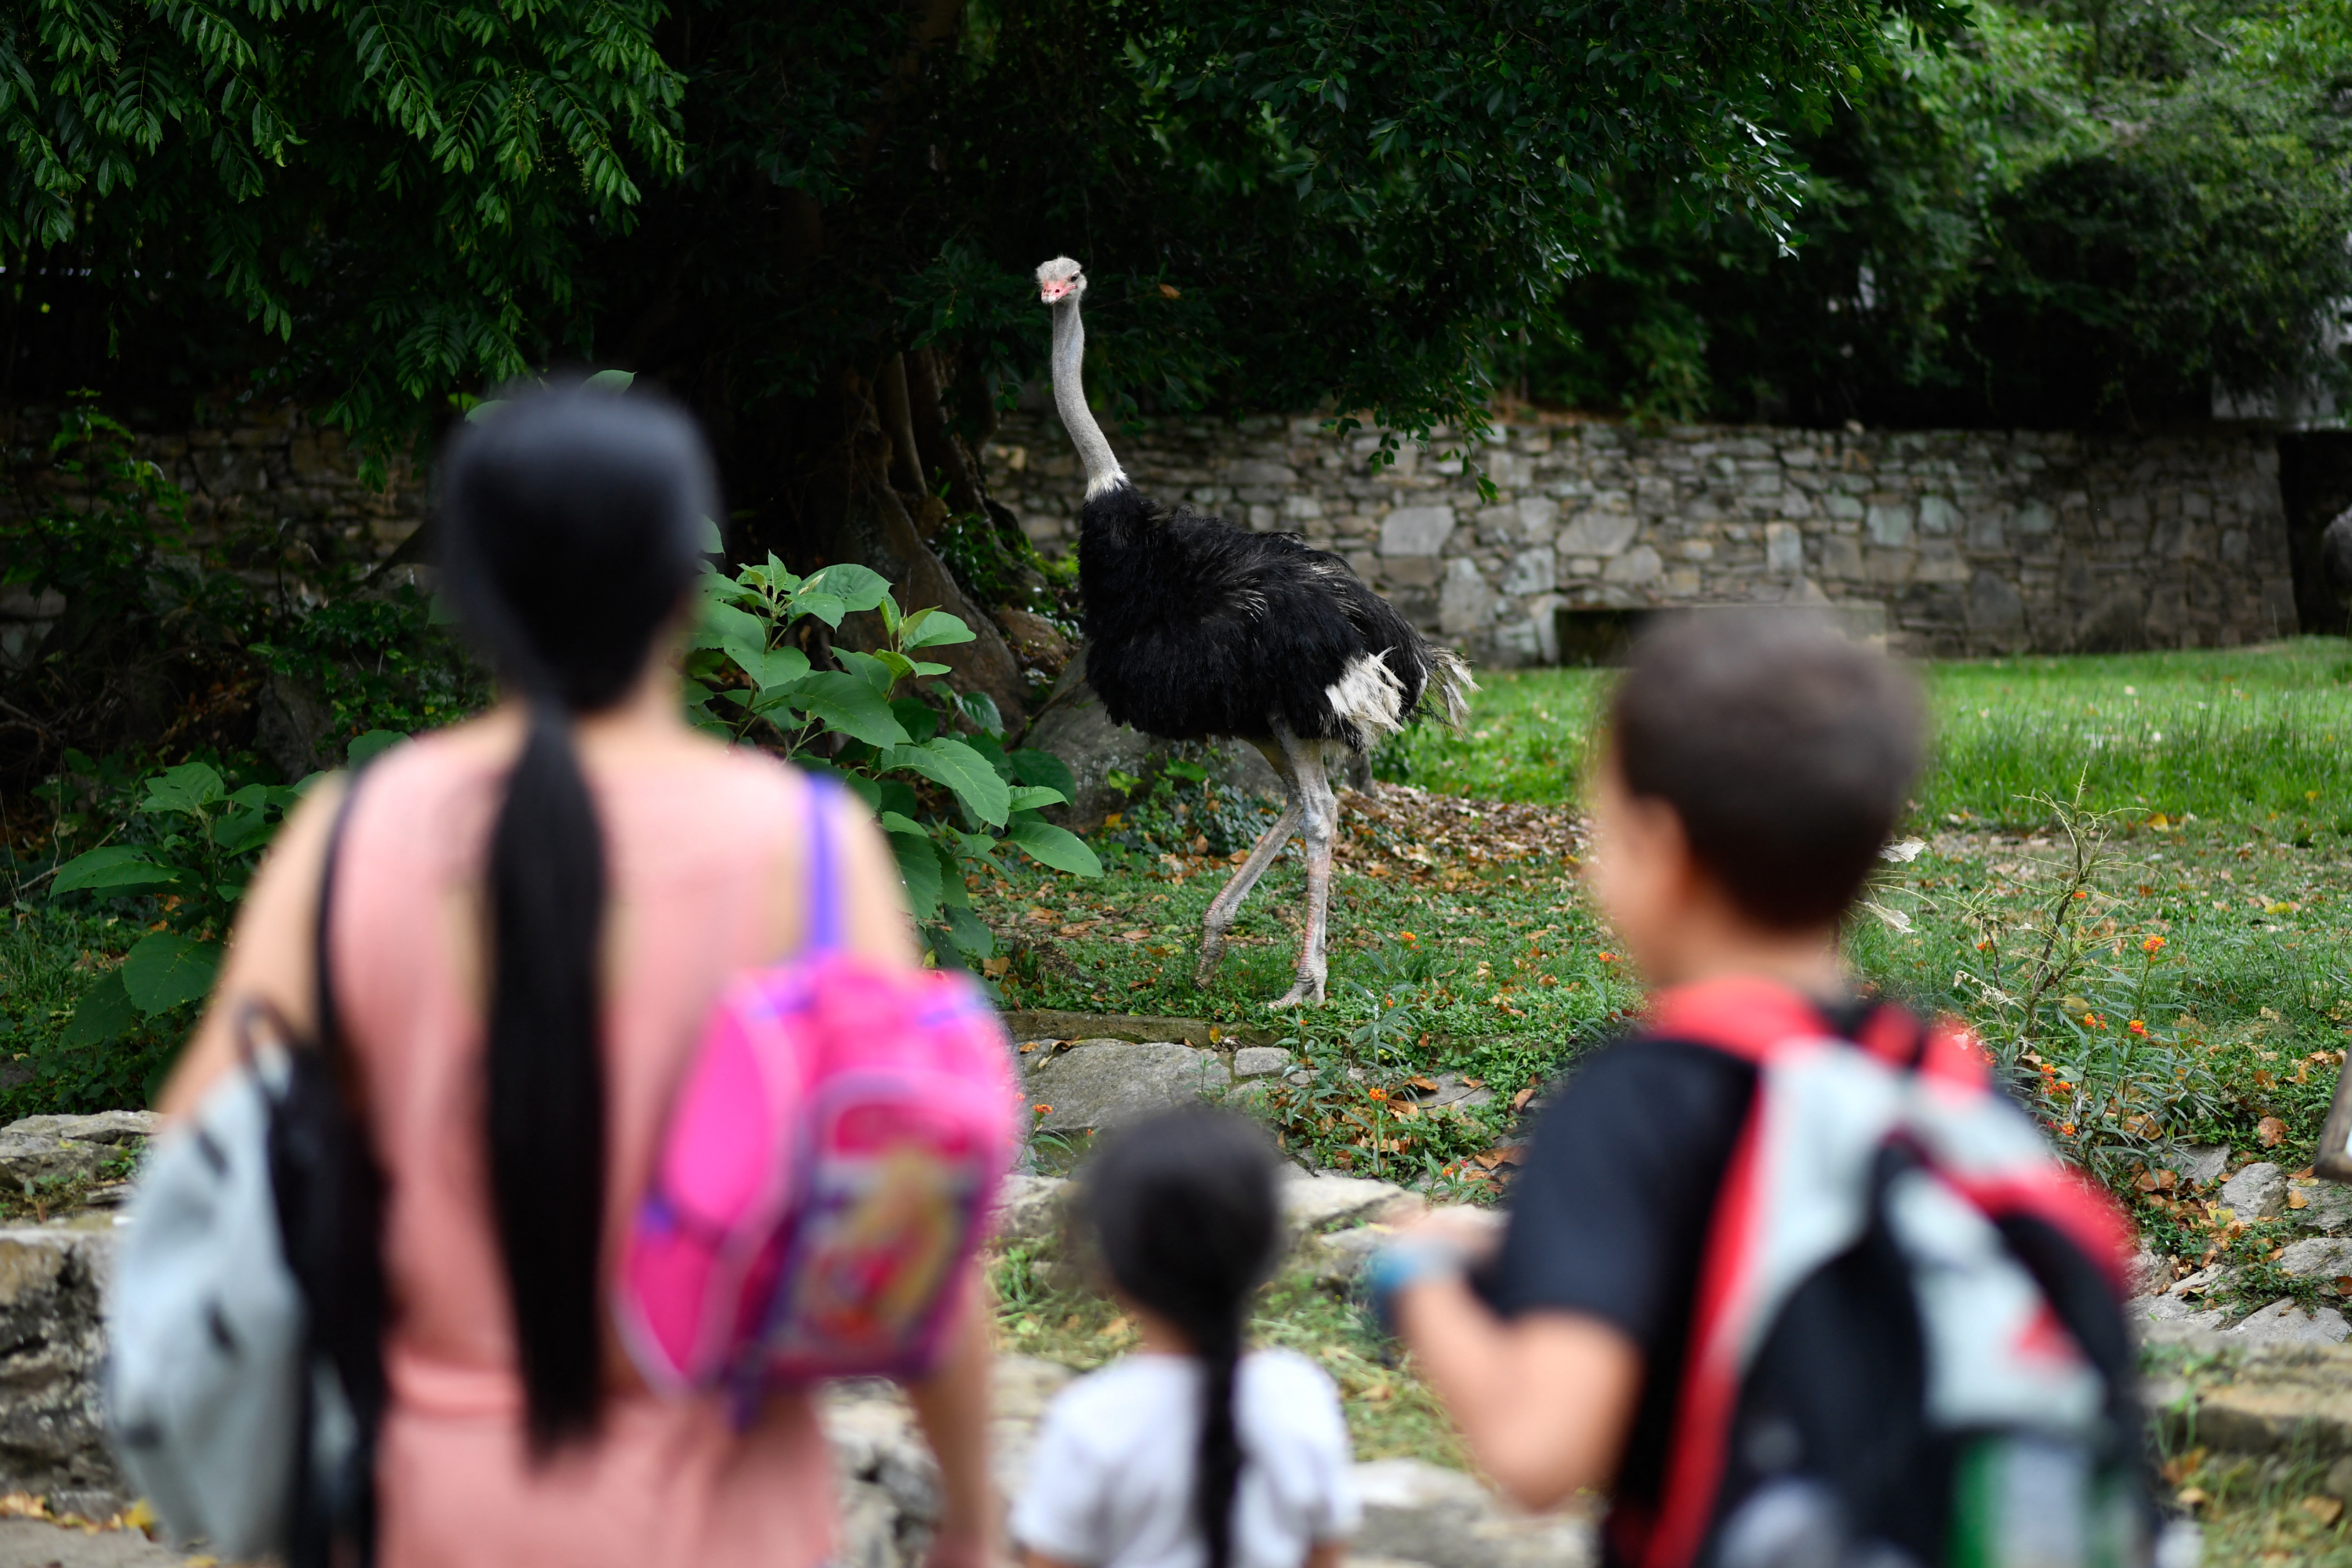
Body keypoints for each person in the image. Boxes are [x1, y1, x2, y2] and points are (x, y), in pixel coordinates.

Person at [160, 383, 997, 1568]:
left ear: (470, 591)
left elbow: (200, 1158)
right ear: (684, 589)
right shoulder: (805, 849)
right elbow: (916, 1214)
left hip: (419, 1511)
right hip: (729, 1520)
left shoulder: (351, 838)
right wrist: (971, 1504)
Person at [1374, 612, 2135, 1568]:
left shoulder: (1635, 1101)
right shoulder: (1955, 1089)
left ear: (1660, 851)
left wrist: (1417, 1278)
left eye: (1601, 829)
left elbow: (1538, 1449)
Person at [1011, 1108, 1358, 1568]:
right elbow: (1325, 1554)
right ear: (1265, 1257)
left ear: (1111, 1270)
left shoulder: (1092, 1421)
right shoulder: (1303, 1396)